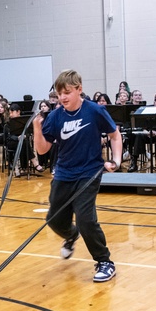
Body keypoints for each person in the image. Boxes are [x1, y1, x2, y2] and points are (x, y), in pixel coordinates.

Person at [32, 69, 119, 283]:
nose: (62, 97)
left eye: (67, 92)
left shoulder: (94, 111)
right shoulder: (54, 116)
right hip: (64, 172)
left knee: (85, 218)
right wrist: (37, 129)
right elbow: (42, 150)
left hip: (89, 172)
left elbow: (114, 134)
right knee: (54, 219)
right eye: (59, 93)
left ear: (79, 89)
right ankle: (71, 235)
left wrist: (116, 160)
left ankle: (105, 261)